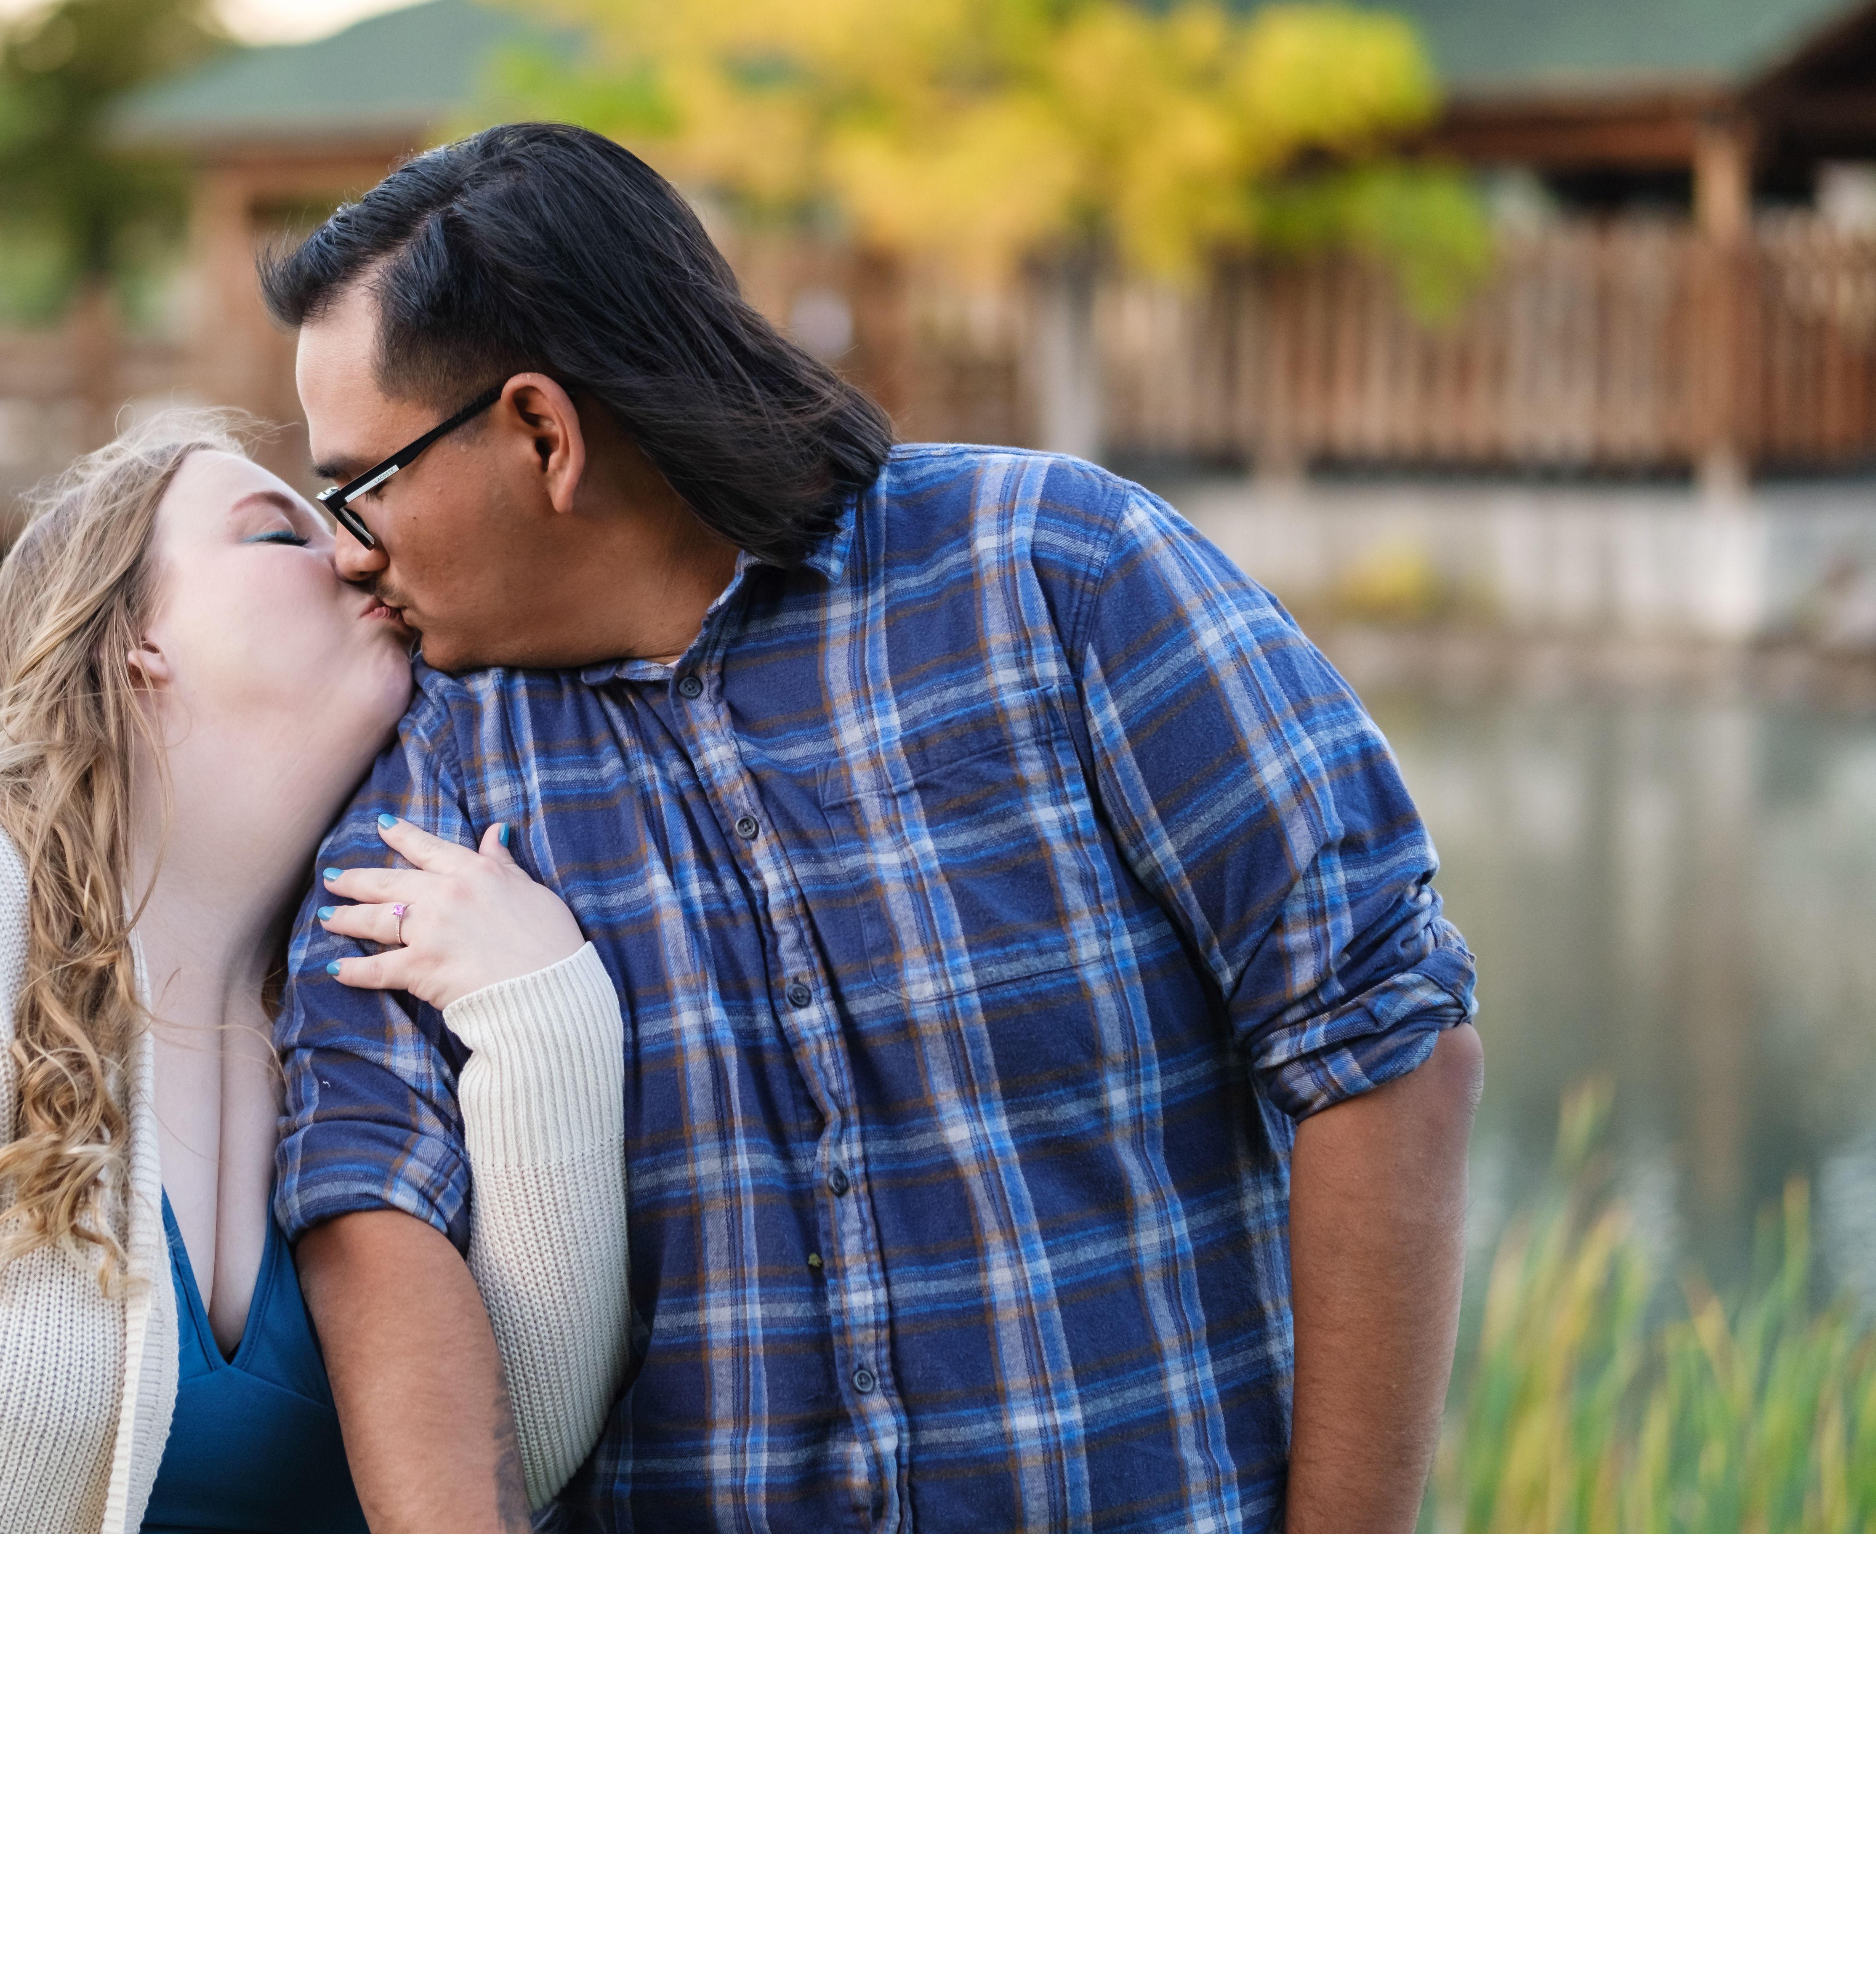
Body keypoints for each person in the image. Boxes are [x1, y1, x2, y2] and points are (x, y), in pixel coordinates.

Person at [266, 123, 1484, 1534]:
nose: (346, 550)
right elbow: (374, 1195)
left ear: (544, 432)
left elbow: (1382, 1041)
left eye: (362, 486)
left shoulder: (1058, 575)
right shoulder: (424, 772)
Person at [0, 408, 630, 1533]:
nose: (357, 551)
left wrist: (544, 1014)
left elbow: (512, 1464)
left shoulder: (362, 999)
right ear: (135, 637)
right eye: (277, 533)